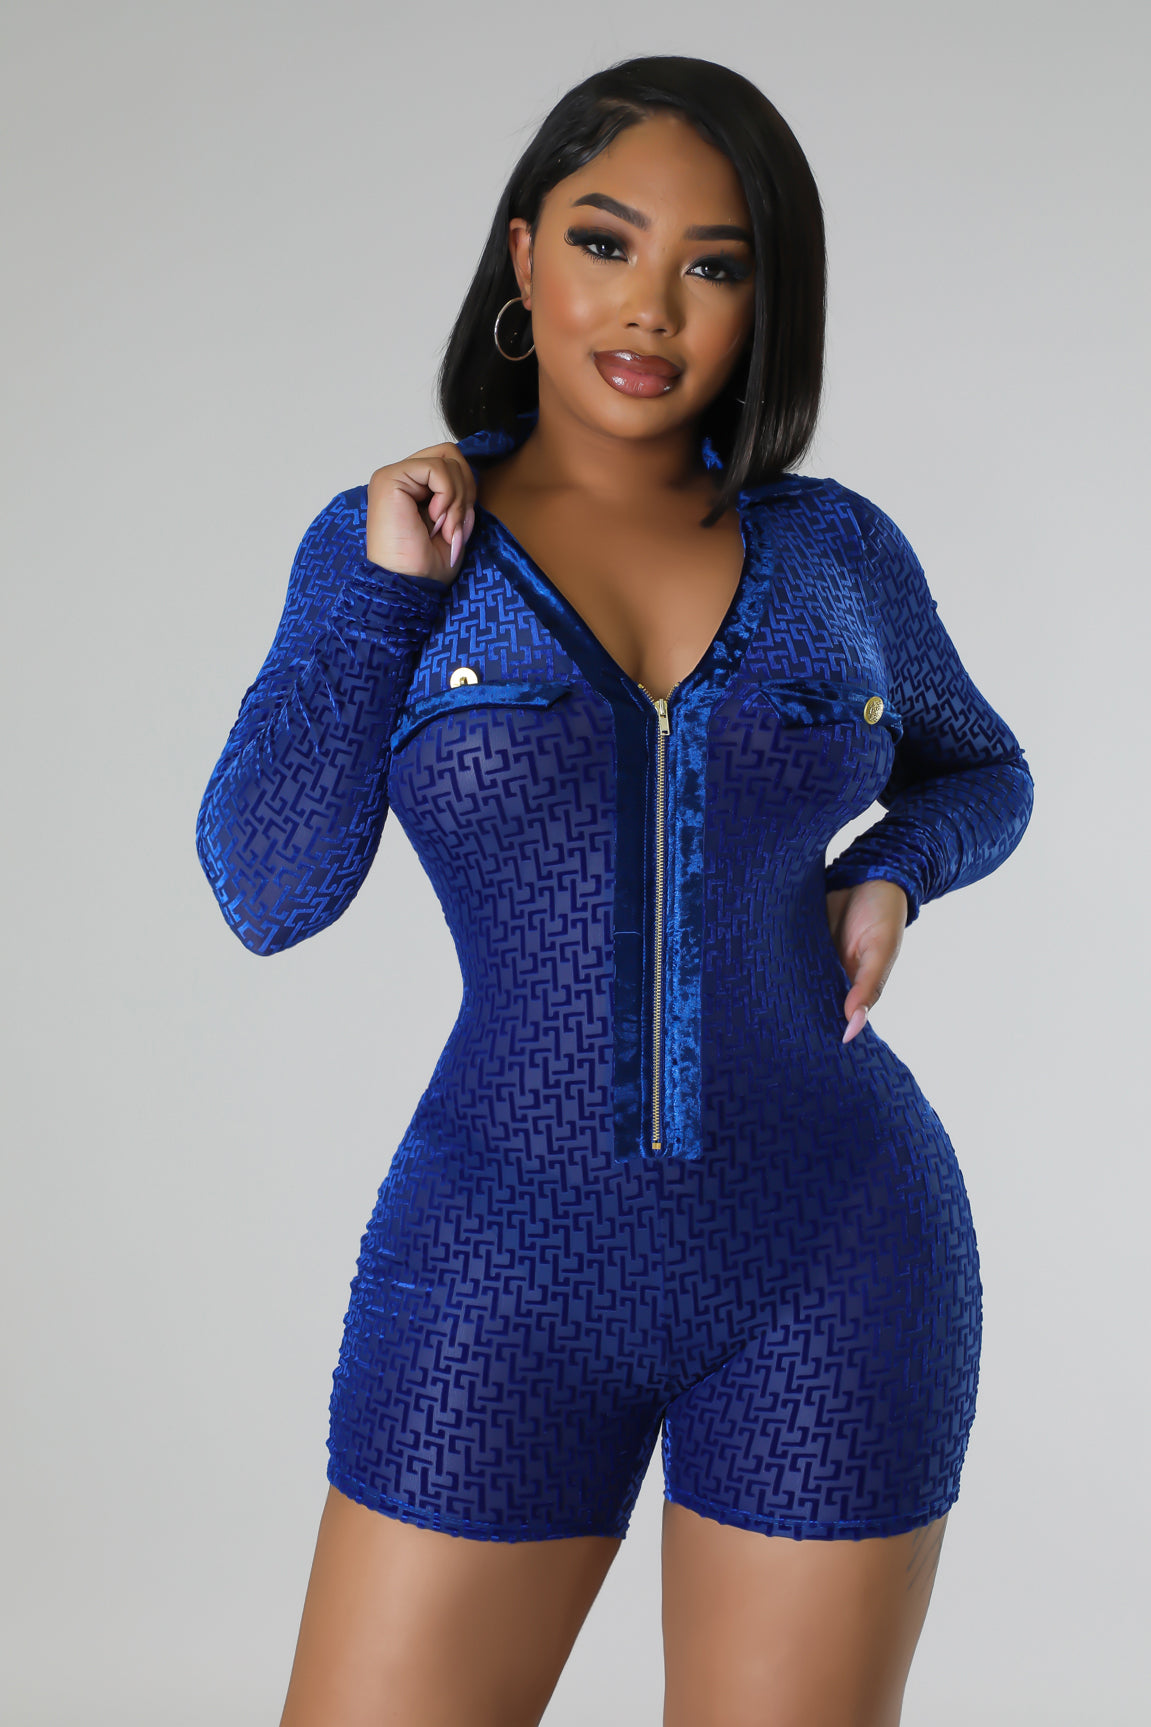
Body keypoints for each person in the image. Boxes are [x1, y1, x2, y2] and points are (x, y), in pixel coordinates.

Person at [195, 54, 1034, 1727]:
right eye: (604, 241)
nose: (650, 305)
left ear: (765, 304)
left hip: (838, 1252)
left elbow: (982, 769)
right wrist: (385, 598)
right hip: (497, 1267)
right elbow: (268, 888)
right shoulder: (392, 546)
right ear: (522, 255)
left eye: (714, 265)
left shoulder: (835, 552)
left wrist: (895, 873)